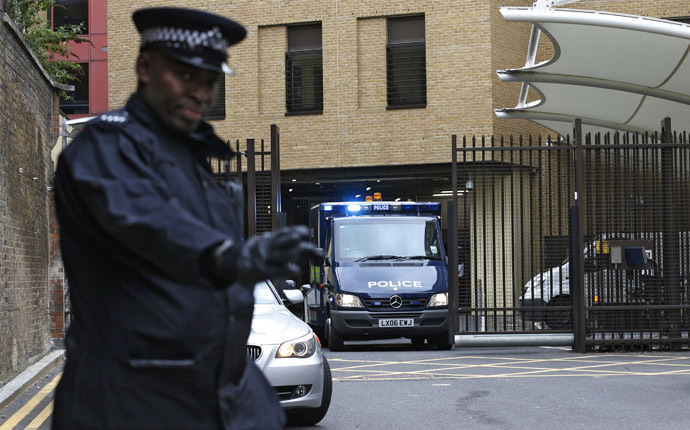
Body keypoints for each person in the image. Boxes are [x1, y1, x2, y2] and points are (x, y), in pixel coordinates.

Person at [52, 7, 320, 429]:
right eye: (185, 75)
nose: (200, 92)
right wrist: (225, 256)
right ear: (145, 67)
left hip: (208, 391)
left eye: (210, 81)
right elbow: (149, 223)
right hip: (129, 399)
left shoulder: (190, 162)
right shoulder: (106, 147)